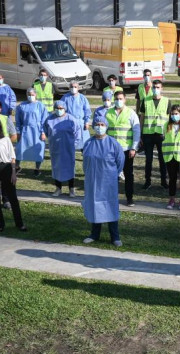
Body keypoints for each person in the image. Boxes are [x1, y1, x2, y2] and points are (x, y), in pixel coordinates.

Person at [82, 116, 125, 246]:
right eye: (97, 124)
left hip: (108, 182)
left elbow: (120, 161)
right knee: (95, 206)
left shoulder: (113, 143)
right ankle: (94, 234)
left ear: (106, 126)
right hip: (93, 182)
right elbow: (85, 163)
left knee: (110, 206)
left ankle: (115, 236)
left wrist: (114, 174)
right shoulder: (89, 143)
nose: (99, 127)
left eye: (102, 124)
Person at [106, 90, 141, 206]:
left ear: (125, 100)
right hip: (112, 150)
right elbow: (104, 130)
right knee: (112, 174)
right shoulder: (108, 113)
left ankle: (129, 198)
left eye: (121, 99)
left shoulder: (131, 113)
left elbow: (136, 131)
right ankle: (112, 197)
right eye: (116, 99)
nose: (118, 101)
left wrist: (133, 148)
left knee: (128, 174)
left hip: (126, 150)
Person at [45, 100, 82, 196]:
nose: (59, 110)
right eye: (57, 108)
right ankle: (58, 188)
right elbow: (45, 130)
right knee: (56, 167)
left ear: (65, 109)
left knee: (69, 167)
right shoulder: (49, 119)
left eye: (61, 108)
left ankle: (71, 189)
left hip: (68, 147)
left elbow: (78, 133)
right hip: (55, 148)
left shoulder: (71, 119)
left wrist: (74, 144)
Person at [140, 79, 169, 189]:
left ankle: (163, 181)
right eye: (154, 87)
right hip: (148, 134)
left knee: (162, 159)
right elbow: (142, 117)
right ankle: (147, 181)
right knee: (148, 159)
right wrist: (141, 134)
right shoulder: (146, 101)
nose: (156, 89)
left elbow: (169, 119)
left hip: (161, 135)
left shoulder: (166, 101)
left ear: (162, 89)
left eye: (158, 87)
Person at [15, 88, 49, 177]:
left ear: (36, 95)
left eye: (32, 94)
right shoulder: (21, 106)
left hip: (37, 131)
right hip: (25, 130)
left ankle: (37, 168)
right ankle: (17, 166)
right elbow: (18, 120)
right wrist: (18, 132)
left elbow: (44, 120)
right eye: (29, 94)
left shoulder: (40, 106)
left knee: (38, 149)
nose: (30, 96)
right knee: (20, 149)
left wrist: (43, 132)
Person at [163, 104, 180, 210]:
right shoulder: (166, 125)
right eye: (172, 114)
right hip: (170, 157)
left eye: (176, 114)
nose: (174, 116)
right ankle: (172, 199)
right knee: (172, 179)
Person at [61, 80, 92, 150]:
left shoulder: (82, 98)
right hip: (69, 123)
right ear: (69, 88)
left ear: (78, 88)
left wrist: (87, 122)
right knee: (69, 142)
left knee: (83, 142)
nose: (73, 88)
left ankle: (84, 156)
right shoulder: (65, 97)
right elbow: (61, 108)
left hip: (80, 123)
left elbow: (87, 110)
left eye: (75, 87)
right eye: (72, 87)